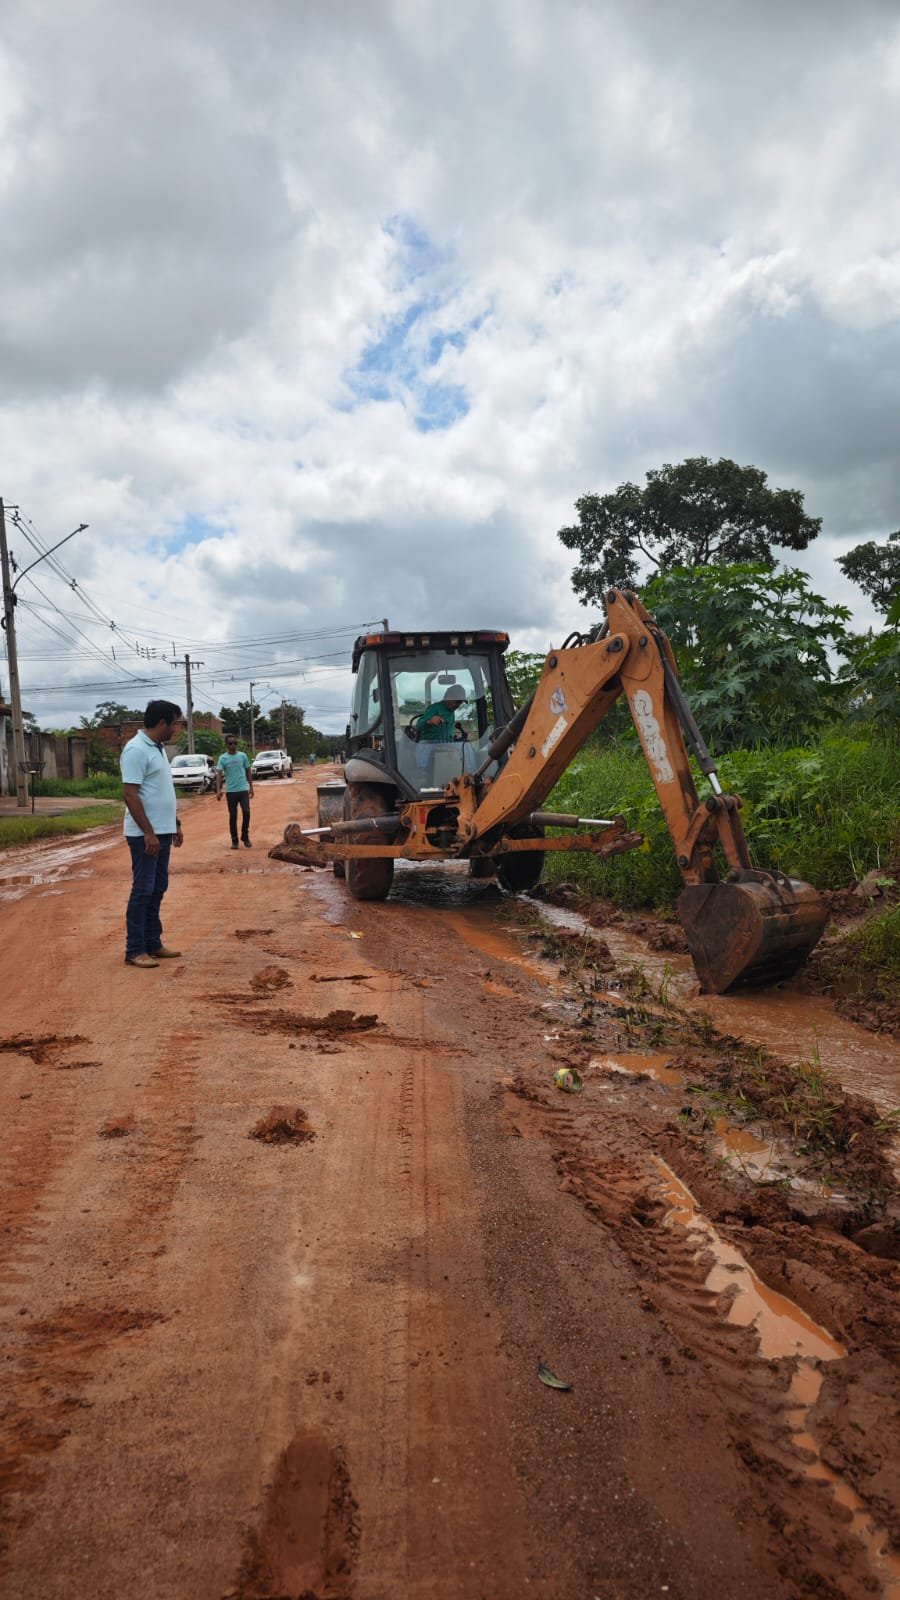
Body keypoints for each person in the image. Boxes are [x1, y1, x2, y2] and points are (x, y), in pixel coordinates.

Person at [120, 700, 184, 969]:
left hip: (163, 831)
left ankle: (153, 943)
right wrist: (149, 833)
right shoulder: (136, 750)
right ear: (162, 723)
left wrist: (175, 823)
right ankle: (135, 949)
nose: (177, 729)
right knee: (143, 890)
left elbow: (160, 792)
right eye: (176, 723)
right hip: (144, 835)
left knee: (158, 887)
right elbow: (130, 794)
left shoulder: (158, 749)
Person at [216, 734, 254, 849]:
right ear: (226, 745)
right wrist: (218, 790)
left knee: (246, 812)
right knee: (233, 816)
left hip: (243, 790)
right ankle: (234, 840)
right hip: (231, 792)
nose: (233, 745)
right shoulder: (223, 758)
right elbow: (219, 774)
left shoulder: (242, 756)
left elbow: (248, 771)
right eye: (230, 743)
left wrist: (251, 787)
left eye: (235, 743)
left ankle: (245, 836)